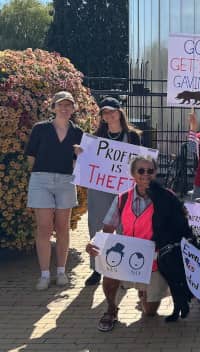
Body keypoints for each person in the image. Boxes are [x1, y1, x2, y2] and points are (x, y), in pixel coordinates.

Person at [85, 155, 189, 331]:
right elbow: (108, 228)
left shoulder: (166, 196)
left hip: (154, 260)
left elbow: (181, 225)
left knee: (149, 313)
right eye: (141, 170)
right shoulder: (122, 198)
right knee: (109, 267)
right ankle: (111, 310)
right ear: (133, 174)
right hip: (126, 256)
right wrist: (93, 243)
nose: (146, 174)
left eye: (150, 171)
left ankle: (144, 294)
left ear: (155, 173)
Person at [25, 91, 84, 291]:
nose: (64, 108)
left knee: (62, 228)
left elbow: (80, 165)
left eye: (68, 105)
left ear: (73, 109)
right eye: (60, 105)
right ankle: (44, 274)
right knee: (43, 227)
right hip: (41, 179)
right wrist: (42, 173)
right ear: (53, 107)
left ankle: (61, 271)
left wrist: (78, 156)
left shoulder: (78, 133)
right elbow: (31, 157)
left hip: (66, 181)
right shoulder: (40, 129)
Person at [81, 97, 142, 286]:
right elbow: (88, 161)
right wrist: (80, 154)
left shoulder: (133, 136)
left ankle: (123, 270)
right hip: (99, 187)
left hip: (123, 189)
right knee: (97, 227)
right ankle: (97, 269)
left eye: (112, 111)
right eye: (105, 112)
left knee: (124, 227)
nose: (109, 115)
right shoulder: (95, 136)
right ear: (102, 116)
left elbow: (138, 162)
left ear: (119, 112)